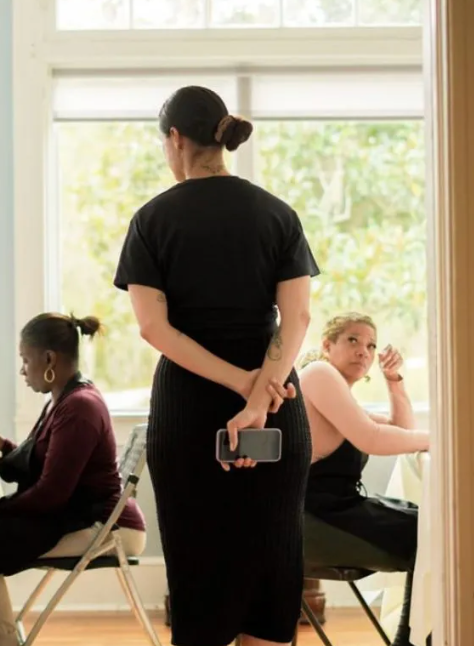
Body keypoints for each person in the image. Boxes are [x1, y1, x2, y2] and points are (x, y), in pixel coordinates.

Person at [114, 85, 318, 646]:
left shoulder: (151, 220)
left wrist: (240, 384)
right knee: (271, 571)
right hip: (276, 405)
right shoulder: (278, 213)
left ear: (175, 139)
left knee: (199, 573)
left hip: (190, 409)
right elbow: (296, 318)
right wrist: (257, 398)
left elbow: (155, 328)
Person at [0, 312, 147, 646]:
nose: (22, 370)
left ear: (48, 358)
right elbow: (44, 470)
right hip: (76, 515)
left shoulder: (79, 407)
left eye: (25, 360)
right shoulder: (62, 401)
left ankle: (4, 642)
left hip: (108, 526)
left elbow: (51, 493)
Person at [298, 312, 429, 573]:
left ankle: (432, 613)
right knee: (434, 534)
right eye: (353, 340)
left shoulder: (340, 398)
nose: (364, 352)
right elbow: (372, 439)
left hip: (334, 512)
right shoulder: (318, 373)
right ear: (327, 345)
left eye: (371, 345)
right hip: (311, 520)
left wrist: (393, 379)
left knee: (430, 523)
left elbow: (401, 431)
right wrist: (442, 439)